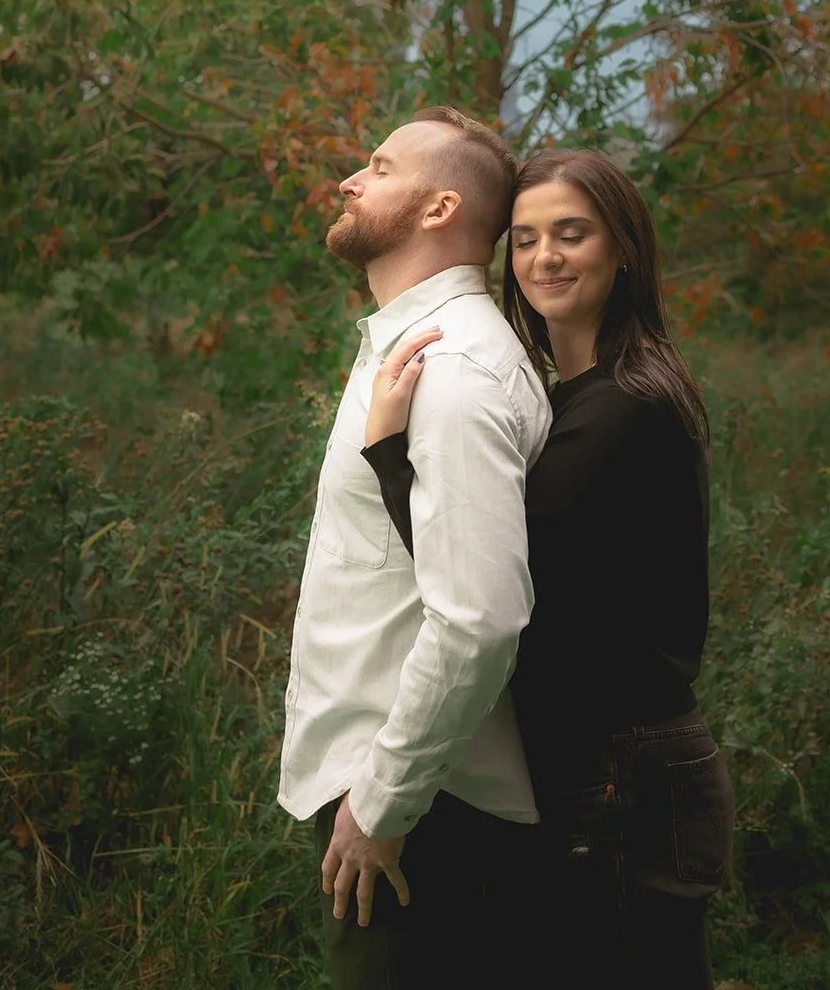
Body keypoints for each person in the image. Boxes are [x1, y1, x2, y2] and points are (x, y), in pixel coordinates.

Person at [362, 147, 734, 989]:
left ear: (623, 248)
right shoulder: (576, 396)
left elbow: (489, 576)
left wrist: (386, 451)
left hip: (623, 767)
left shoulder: (623, 406)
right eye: (525, 239)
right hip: (609, 760)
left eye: (572, 234)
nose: (544, 258)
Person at [277, 107, 551, 990]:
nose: (351, 180)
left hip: (421, 809)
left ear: (439, 209)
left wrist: (384, 801)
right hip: (397, 786)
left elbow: (480, 619)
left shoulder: (452, 372)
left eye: (381, 167)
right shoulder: (409, 348)